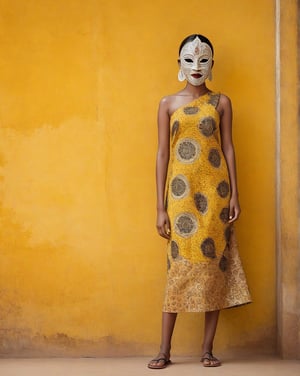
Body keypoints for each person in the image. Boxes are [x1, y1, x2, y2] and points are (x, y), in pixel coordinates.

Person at [148, 34, 251, 369]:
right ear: (178, 63)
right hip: (180, 198)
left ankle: (207, 349)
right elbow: (162, 153)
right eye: (189, 59)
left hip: (216, 194)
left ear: (212, 64)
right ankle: (164, 350)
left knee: (213, 269)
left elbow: (229, 148)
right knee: (178, 269)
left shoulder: (221, 102)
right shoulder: (167, 104)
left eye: (203, 60)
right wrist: (160, 206)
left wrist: (235, 193)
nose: (196, 66)